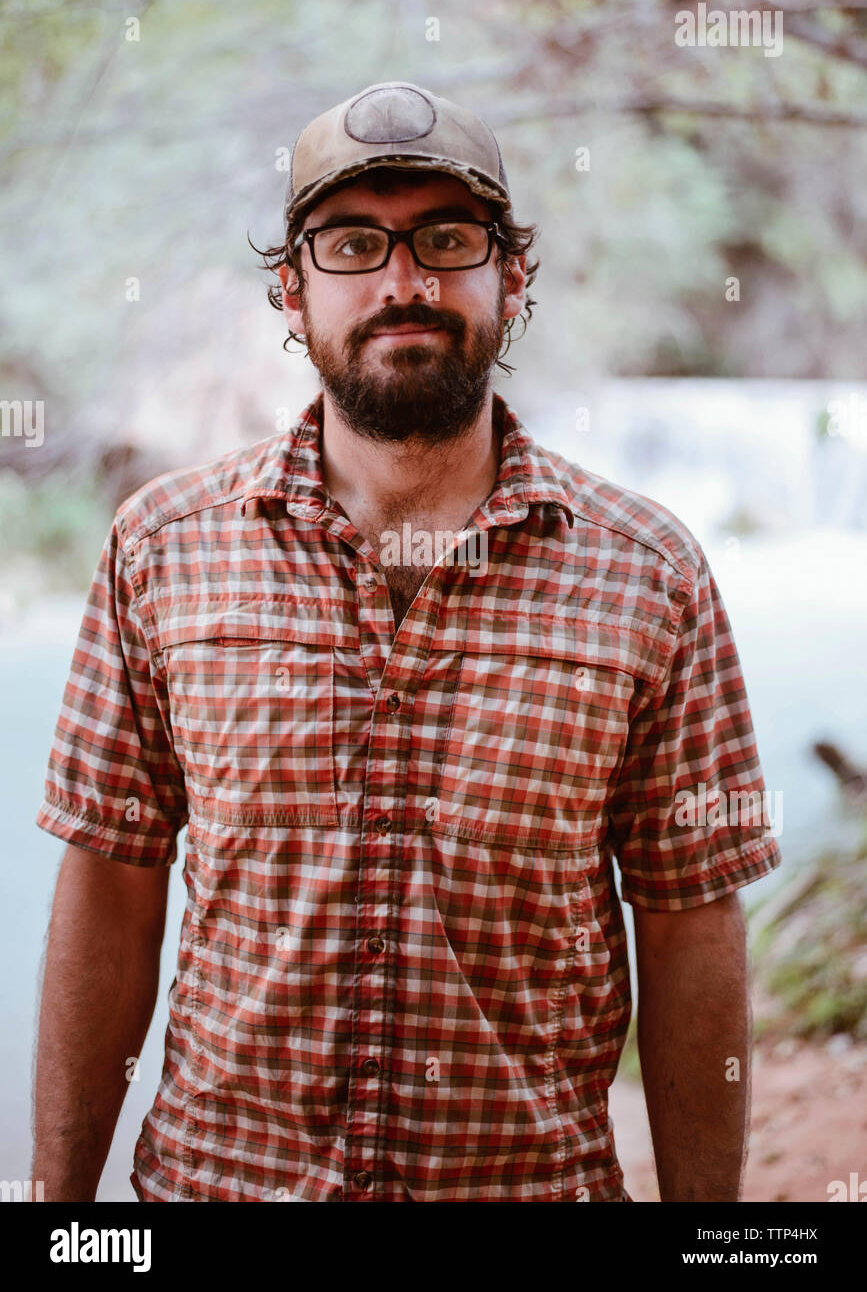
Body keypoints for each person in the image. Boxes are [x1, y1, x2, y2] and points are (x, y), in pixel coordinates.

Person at [31, 80, 781, 1203]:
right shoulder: (159, 553)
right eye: (351, 244)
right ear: (290, 290)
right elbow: (110, 887)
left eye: (446, 238)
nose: (402, 283)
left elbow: (688, 927)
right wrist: (59, 1217)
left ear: (511, 277)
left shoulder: (649, 576)